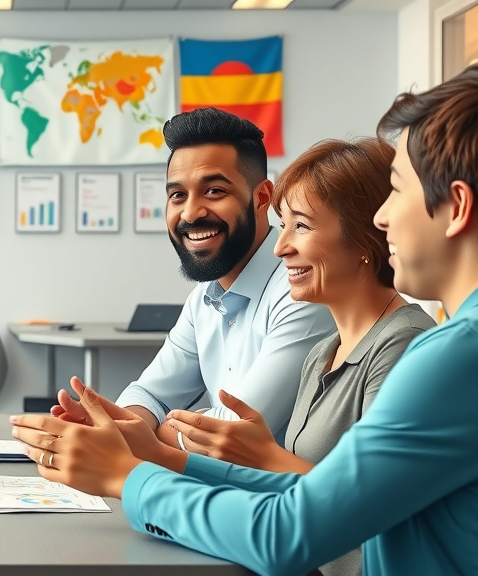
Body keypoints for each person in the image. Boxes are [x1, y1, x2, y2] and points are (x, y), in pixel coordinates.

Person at [12, 63, 478, 576]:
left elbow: (289, 531)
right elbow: (317, 495)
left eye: (396, 190)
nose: (382, 216)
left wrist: (129, 477)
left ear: (457, 206)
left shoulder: (458, 352)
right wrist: (153, 454)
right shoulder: (460, 344)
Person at [67, 138, 437, 576]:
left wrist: (135, 471)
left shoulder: (405, 347)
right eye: (285, 226)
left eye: (301, 226)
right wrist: (159, 452)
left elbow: (355, 513)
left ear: (364, 236)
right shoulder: (325, 353)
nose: (280, 248)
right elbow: (289, 486)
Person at [103, 108, 334, 447]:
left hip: (277, 496)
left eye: (213, 191)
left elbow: (233, 431)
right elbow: (149, 392)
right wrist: (129, 426)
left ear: (261, 197)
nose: (191, 212)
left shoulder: (301, 289)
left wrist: (149, 435)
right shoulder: (205, 297)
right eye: (177, 195)